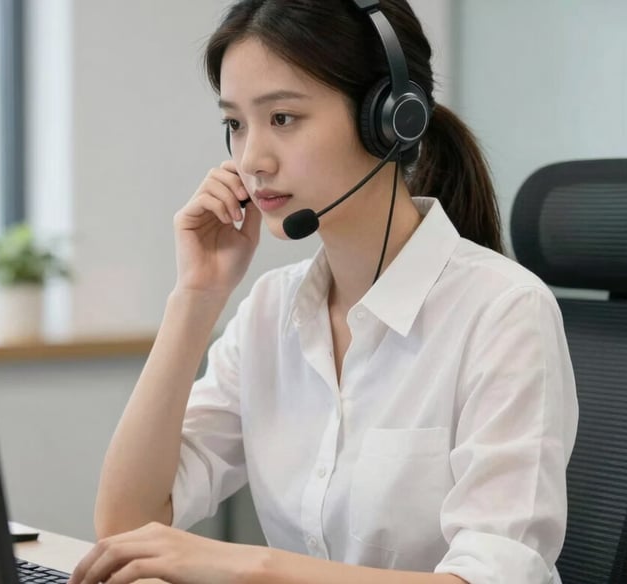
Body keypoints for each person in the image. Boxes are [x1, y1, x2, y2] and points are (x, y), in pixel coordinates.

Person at [69, 1, 578, 583]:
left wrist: (253, 567)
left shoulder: (503, 311)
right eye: (235, 124)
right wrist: (195, 295)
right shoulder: (269, 309)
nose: (251, 160)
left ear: (389, 119)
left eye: (282, 118)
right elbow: (127, 526)